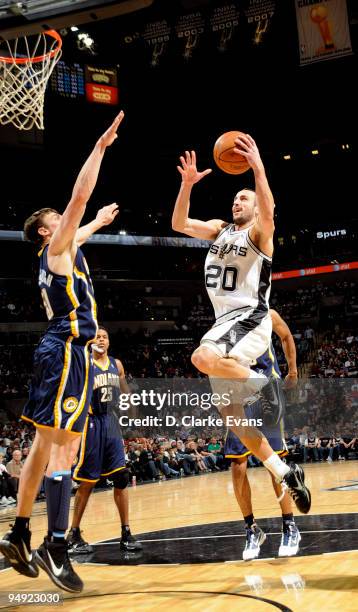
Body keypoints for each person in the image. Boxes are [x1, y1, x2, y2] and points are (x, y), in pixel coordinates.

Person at [0, 111, 124, 592]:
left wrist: (97, 221)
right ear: (48, 233)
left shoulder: (59, 251)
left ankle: (18, 532)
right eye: (60, 220)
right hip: (68, 352)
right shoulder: (57, 248)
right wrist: (99, 148)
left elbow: (81, 224)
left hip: (56, 350)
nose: (65, 218)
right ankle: (55, 543)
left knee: (42, 445)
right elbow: (78, 195)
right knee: (65, 449)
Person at [172, 137, 310, 514]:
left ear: (257, 207)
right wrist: (187, 185)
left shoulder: (260, 235)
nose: (237, 201)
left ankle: (266, 388)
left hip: (250, 316)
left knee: (201, 356)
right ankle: (284, 469)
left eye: (244, 197)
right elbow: (179, 223)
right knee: (232, 417)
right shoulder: (219, 230)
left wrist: (258, 168)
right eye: (235, 197)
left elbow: (268, 207)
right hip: (225, 323)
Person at [224, 309, 301, 560]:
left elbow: (287, 336)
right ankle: (251, 528)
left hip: (267, 386)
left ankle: (289, 524)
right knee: (237, 464)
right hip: (239, 390)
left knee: (275, 461)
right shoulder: (226, 317)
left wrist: (293, 371)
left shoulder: (267, 312)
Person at [67, 327, 142, 554]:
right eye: (97, 336)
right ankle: (74, 533)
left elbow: (125, 390)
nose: (101, 339)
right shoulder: (84, 362)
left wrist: (132, 412)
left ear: (109, 342)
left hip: (110, 421)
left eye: (105, 336)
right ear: (91, 342)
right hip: (91, 423)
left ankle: (126, 532)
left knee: (121, 477)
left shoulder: (116, 364)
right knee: (87, 481)